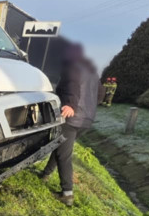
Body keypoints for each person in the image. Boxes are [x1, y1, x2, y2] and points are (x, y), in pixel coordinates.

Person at [39, 42, 102, 206]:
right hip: (86, 120)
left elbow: (72, 86)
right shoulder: (92, 72)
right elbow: (100, 95)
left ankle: (67, 194)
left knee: (64, 155)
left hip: (71, 117)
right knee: (61, 147)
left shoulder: (72, 67)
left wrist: (70, 104)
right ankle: (45, 174)